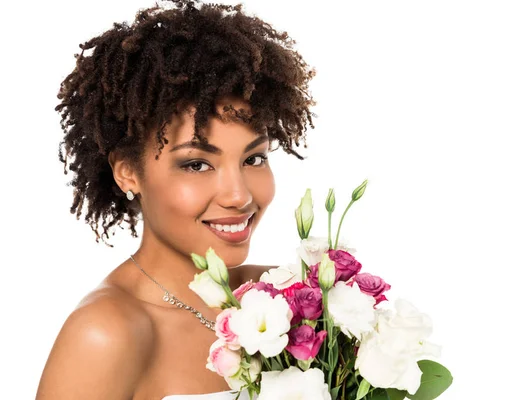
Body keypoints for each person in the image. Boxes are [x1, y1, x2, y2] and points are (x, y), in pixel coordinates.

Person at [36, 1, 317, 399]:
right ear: (127, 172)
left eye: (254, 158)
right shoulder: (105, 333)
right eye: (197, 165)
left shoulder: (292, 299)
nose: (239, 195)